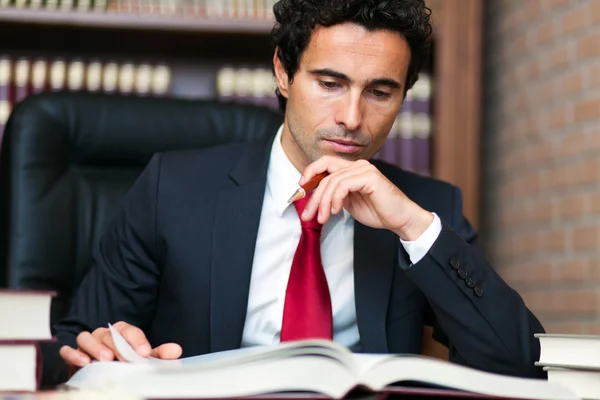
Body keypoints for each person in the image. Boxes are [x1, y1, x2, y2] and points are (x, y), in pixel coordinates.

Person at [43, 0, 546, 386]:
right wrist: (110, 350)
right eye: (330, 83)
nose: (352, 118)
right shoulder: (170, 190)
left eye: (379, 92)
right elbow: (75, 340)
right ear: (283, 72)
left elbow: (521, 364)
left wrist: (414, 229)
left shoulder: (426, 209)